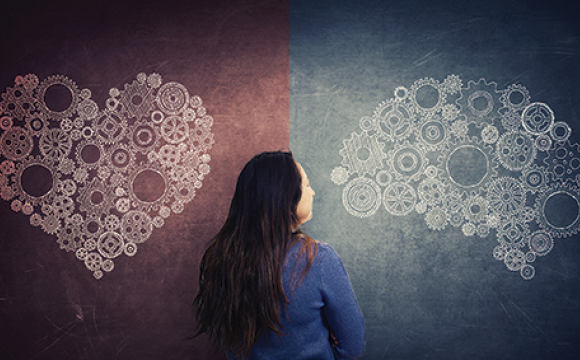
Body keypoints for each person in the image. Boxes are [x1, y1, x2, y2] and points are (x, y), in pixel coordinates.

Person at [193, 151, 365, 359]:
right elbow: (352, 347)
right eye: (306, 184)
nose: (313, 193)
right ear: (284, 195)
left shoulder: (221, 260)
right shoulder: (319, 259)